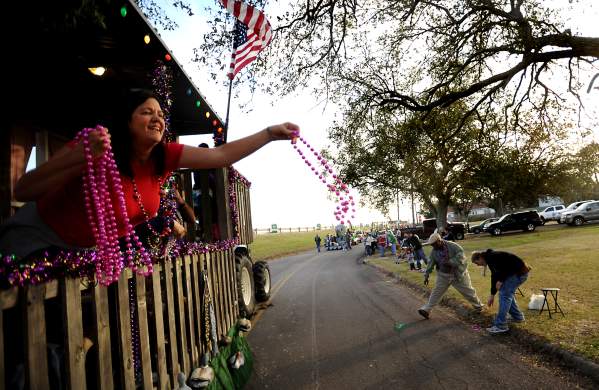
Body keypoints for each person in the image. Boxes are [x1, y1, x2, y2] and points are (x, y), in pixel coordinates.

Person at [0, 89, 299, 259]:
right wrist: (80, 157)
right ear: (127, 122)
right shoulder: (96, 144)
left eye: (160, 114)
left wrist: (270, 133)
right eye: (146, 112)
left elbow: (220, 156)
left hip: (79, 257)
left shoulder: (164, 157)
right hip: (34, 243)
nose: (157, 118)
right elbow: (24, 190)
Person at [417, 233, 483, 319]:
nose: (433, 247)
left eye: (434, 244)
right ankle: (426, 310)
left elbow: (461, 256)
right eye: (432, 245)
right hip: (443, 275)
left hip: (458, 274)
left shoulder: (453, 246)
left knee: (468, 291)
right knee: (436, 292)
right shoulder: (434, 252)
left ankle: (478, 306)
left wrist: (450, 262)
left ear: (439, 241)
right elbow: (430, 263)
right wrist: (426, 275)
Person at [471, 249, 531, 334]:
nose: (478, 265)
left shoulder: (493, 256)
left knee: (505, 295)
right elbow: (494, 276)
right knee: (507, 294)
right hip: (516, 273)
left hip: (519, 273)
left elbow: (507, 267)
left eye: (477, 263)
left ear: (480, 258)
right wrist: (492, 295)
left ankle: (501, 325)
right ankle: (517, 317)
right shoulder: (489, 258)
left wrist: (501, 280)